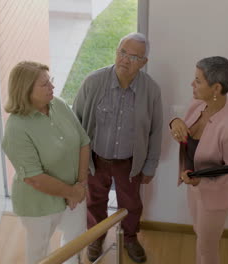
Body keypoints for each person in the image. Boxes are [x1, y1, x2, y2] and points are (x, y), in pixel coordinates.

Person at [73, 32, 163, 263]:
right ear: (116, 51)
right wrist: (78, 162)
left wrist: (150, 166)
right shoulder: (93, 82)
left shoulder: (151, 90)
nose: (125, 59)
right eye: (122, 52)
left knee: (131, 204)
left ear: (143, 63)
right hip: (96, 158)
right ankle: (96, 237)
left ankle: (130, 238)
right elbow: (76, 122)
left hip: (129, 162)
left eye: (134, 57)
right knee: (95, 201)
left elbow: (155, 130)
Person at [2, 61, 90, 264]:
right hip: (38, 202)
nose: (52, 87)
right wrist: (72, 192)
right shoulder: (16, 128)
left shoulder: (57, 104)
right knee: (39, 251)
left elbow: (83, 142)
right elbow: (35, 179)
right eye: (44, 84)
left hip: (76, 190)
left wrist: (81, 184)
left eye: (50, 81)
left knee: (76, 240)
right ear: (26, 91)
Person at [169, 56, 228, 264]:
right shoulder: (198, 104)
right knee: (199, 234)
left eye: (197, 80)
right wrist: (175, 122)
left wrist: (200, 181)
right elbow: (183, 127)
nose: (191, 84)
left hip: (215, 198)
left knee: (207, 248)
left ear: (216, 88)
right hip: (194, 190)